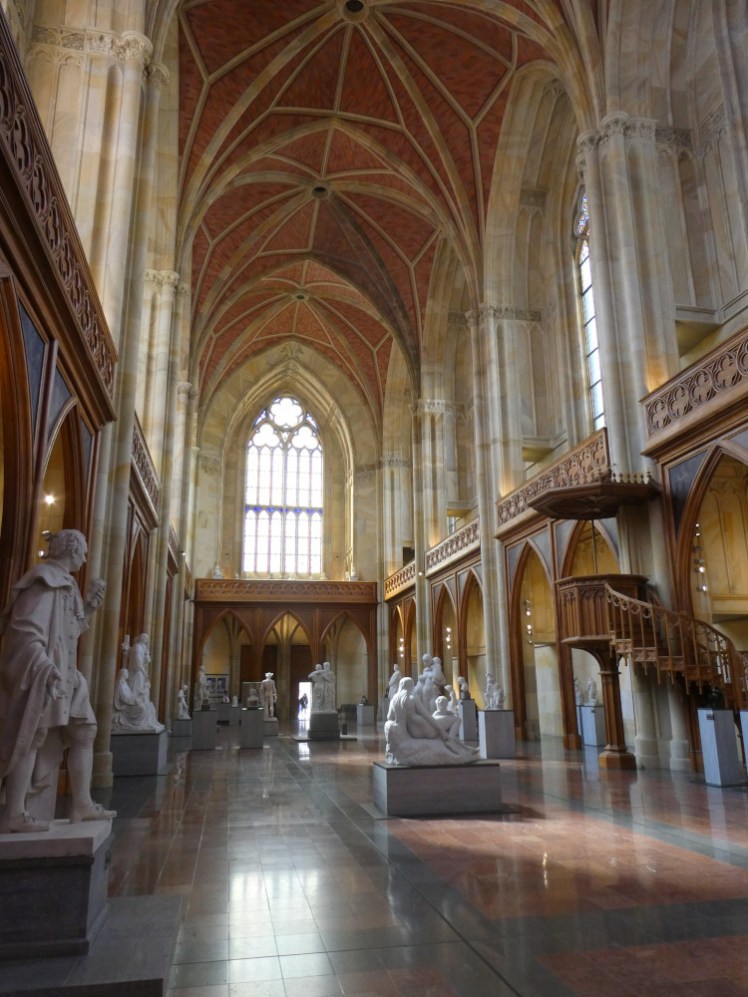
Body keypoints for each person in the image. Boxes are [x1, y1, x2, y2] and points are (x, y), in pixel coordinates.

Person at [0, 529, 116, 832]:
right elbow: (25, 632)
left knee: (86, 729)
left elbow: (68, 632)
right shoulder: (42, 582)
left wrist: (88, 607)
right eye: (83, 551)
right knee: (33, 735)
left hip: (67, 674)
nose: (86, 557)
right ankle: (14, 813)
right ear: (70, 549)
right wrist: (43, 666)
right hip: (47, 672)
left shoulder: (67, 585)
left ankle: (82, 804)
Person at [384, 677, 479, 766]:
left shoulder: (394, 700)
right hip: (426, 729)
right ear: (410, 686)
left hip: (414, 732)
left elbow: (389, 716)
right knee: (456, 719)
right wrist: (442, 731)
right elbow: (427, 716)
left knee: (443, 732)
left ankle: (468, 749)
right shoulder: (412, 698)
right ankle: (450, 741)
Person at [112, 667, 164, 733]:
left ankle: (150, 724)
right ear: (123, 674)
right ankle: (140, 725)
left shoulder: (125, 684)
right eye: (126, 673)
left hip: (131, 702)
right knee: (143, 708)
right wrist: (135, 700)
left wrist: (137, 698)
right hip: (126, 705)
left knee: (149, 705)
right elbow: (125, 698)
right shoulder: (120, 684)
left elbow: (130, 696)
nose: (127, 674)